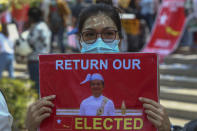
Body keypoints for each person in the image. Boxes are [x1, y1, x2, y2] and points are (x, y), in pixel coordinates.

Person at [25, 4, 171, 131]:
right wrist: (32, 128)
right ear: (80, 41)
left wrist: (165, 129)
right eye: (90, 34)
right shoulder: (74, 96)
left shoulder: (131, 89)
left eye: (108, 33)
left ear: (119, 40)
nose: (99, 42)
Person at [27, 7, 51, 93]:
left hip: (35, 59)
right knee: (41, 85)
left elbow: (30, 40)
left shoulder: (36, 28)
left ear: (32, 17)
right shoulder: (44, 26)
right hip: (44, 58)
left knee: (35, 86)